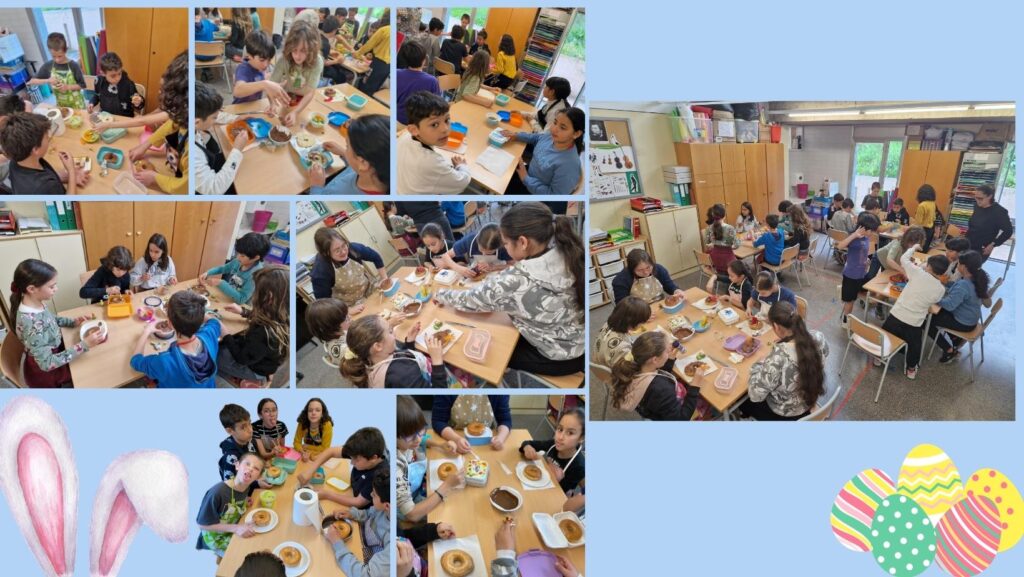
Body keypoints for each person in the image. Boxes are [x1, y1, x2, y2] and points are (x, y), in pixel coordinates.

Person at [435, 202, 586, 376]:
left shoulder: (515, 280)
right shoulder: (567, 250)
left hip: (558, 356)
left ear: (522, 242)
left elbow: (468, 300)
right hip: (577, 340)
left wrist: (439, 294)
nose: (504, 247)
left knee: (493, 347)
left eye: (505, 243)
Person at [11, 259, 104, 387]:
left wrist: (72, 322)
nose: (56, 289)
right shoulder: (31, 325)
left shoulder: (34, 302)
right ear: (32, 289)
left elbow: (49, 318)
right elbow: (47, 363)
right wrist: (84, 345)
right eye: (51, 286)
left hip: (53, 348)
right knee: (89, 371)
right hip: (47, 372)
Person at [739, 301, 829, 420]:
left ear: (776, 327)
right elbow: (820, 355)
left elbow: (755, 395)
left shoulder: (779, 357)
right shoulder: (818, 337)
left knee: (742, 401)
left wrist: (759, 364)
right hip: (809, 399)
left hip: (785, 414)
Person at [880, 246, 949, 379]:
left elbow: (904, 259)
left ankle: (880, 357)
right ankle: (911, 369)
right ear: (943, 272)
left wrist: (914, 247)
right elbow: (934, 301)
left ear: (928, 266)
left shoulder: (917, 272)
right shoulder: (941, 289)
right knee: (914, 345)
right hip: (914, 322)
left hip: (896, 315)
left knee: (885, 335)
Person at [217, 265, 289, 387]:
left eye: (256, 290)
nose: (254, 294)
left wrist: (226, 334)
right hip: (259, 358)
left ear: (269, 297)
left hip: (254, 369)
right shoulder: (283, 313)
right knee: (227, 344)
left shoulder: (264, 332)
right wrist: (243, 312)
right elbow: (264, 317)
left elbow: (242, 359)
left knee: (213, 354)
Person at [130, 291, 220, 388]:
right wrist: (195, 311)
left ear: (169, 323)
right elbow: (214, 321)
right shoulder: (209, 334)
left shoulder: (164, 361)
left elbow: (135, 361)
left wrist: (146, 331)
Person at [128, 51, 189, 194]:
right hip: (171, 169)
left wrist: (155, 178)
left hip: (174, 185)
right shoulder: (183, 115)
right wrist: (145, 145)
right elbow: (171, 125)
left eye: (165, 91)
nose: (161, 94)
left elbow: (184, 187)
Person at [396, 395, 463, 522]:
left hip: (418, 489)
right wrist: (447, 485)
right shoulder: (395, 467)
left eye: (420, 431)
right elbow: (412, 514)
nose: (418, 439)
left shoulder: (408, 441)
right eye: (410, 436)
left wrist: (440, 445)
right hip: (405, 508)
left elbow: (422, 439)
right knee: (446, 513)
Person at [610, 331, 701, 421]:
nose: (669, 351)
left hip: (655, 407)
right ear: (655, 360)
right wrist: (695, 385)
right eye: (667, 351)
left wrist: (669, 360)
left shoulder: (636, 365)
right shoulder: (662, 389)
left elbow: (657, 376)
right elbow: (681, 419)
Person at [339, 315, 449, 388]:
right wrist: (437, 360)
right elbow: (435, 397)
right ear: (378, 346)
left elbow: (401, 358)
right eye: (390, 331)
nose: (394, 333)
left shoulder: (371, 357)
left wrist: (409, 343)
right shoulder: (402, 375)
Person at [397, 91, 472, 194]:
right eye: (434, 124)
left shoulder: (405, 136)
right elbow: (462, 182)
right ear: (414, 129)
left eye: (447, 120)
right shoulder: (431, 163)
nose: (445, 129)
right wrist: (461, 166)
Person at [298, 427, 389, 510]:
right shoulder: (361, 452)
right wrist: (310, 471)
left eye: (356, 460)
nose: (351, 462)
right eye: (351, 458)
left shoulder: (380, 476)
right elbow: (331, 451)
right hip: (353, 489)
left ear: (373, 458)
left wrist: (327, 495)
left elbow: (358, 502)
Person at [503, 107, 585, 198]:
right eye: (555, 122)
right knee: (503, 172)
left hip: (534, 192)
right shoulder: (552, 137)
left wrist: (526, 178)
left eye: (562, 127)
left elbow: (554, 196)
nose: (554, 129)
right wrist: (517, 136)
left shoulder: (569, 166)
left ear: (576, 134)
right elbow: (538, 138)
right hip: (528, 174)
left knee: (501, 187)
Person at [196, 453, 265, 558]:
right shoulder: (217, 492)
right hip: (217, 538)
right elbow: (201, 525)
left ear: (259, 476)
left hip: (235, 526)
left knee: (259, 543)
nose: (250, 469)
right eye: (247, 464)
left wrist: (244, 500)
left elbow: (233, 501)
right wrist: (236, 528)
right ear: (237, 466)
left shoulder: (245, 485)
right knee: (245, 557)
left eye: (256, 468)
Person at [326, 467, 391, 576]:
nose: (371, 494)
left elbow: (364, 574)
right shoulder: (383, 509)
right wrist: (352, 513)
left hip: (370, 565)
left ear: (387, 506)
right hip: (363, 543)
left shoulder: (392, 546)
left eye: (374, 494)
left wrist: (337, 543)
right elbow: (369, 513)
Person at [1, 111, 85, 194]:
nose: (49, 138)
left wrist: (57, 177)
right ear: (35, 149)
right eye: (46, 137)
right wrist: (71, 170)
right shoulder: (45, 187)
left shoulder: (15, 161)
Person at [928, 250, 989, 365]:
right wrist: (946, 284)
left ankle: (949, 351)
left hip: (963, 323)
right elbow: (957, 289)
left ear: (964, 267)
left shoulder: (964, 285)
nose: (957, 265)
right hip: (970, 320)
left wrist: (934, 298)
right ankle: (955, 338)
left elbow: (949, 305)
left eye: (959, 264)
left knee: (926, 320)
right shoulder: (974, 278)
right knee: (937, 313)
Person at [310, 114, 390, 195]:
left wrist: (316, 186)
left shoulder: (342, 194)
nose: (346, 148)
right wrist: (343, 153)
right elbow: (355, 168)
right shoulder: (376, 172)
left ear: (363, 162)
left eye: (347, 146)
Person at [310, 227, 387, 306]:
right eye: (337, 250)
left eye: (344, 245)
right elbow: (324, 303)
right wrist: (349, 311)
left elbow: (375, 257)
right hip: (348, 305)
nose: (343, 252)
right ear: (326, 253)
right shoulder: (320, 272)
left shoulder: (352, 249)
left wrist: (385, 279)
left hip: (370, 289)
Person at [194, 82, 245, 195]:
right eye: (214, 118)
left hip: (208, 162)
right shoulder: (193, 155)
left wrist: (237, 118)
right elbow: (214, 188)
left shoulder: (192, 116)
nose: (216, 118)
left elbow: (214, 114)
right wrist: (237, 150)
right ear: (197, 122)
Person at [270, 22, 324, 128]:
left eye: (303, 51)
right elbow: (271, 85)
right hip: (287, 96)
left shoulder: (317, 61)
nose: (297, 56)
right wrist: (272, 102)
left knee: (301, 126)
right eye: (294, 50)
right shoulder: (284, 59)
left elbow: (310, 92)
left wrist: (296, 112)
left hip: (305, 100)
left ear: (311, 49)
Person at [520, 408, 585, 493]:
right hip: (540, 485)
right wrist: (527, 447)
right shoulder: (553, 444)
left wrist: (558, 480)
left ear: (581, 438)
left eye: (570, 433)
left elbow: (561, 493)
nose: (560, 437)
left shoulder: (579, 466)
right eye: (560, 429)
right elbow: (527, 443)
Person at [837, 213, 881, 328]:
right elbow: (840, 246)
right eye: (871, 230)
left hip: (861, 274)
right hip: (851, 275)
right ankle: (845, 321)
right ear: (863, 228)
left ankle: (848, 304)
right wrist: (854, 235)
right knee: (850, 301)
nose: (872, 233)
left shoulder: (866, 238)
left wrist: (865, 260)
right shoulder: (855, 238)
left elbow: (862, 251)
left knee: (870, 292)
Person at [201, 232, 270, 304]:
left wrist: (221, 283)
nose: (238, 257)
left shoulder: (256, 275)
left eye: (242, 256)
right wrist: (208, 273)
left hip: (242, 306)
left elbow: (241, 299)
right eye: (238, 253)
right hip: (230, 297)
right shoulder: (238, 261)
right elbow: (222, 269)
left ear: (256, 257)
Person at [431, 394, 513, 453]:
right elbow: (438, 421)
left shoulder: (498, 393)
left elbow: (505, 420)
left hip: (488, 443)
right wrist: (456, 439)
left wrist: (501, 438)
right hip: (454, 437)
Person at [27, 33, 85, 109]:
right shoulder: (49, 65)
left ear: (65, 50)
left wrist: (67, 87)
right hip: (62, 106)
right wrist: (48, 80)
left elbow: (82, 85)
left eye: (60, 56)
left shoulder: (73, 65)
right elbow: (31, 82)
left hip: (77, 104)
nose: (57, 60)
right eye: (53, 56)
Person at [436, 222, 513, 279]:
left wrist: (493, 267)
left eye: (489, 252)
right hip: (476, 273)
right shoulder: (470, 240)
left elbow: (513, 265)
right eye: (481, 249)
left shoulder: (504, 246)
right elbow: (445, 256)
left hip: (497, 273)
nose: (483, 254)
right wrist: (459, 268)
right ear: (477, 240)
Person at [232, 30, 288, 105]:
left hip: (254, 106)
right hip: (240, 108)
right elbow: (237, 91)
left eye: (269, 60)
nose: (266, 64)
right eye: (262, 60)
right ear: (249, 55)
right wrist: (265, 84)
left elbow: (262, 78)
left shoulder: (259, 67)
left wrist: (275, 79)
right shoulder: (243, 69)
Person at [612, 248, 685, 304]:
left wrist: (676, 291)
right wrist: (641, 314)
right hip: (637, 311)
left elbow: (668, 285)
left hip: (659, 304)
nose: (646, 272)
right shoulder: (621, 280)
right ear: (631, 269)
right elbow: (622, 305)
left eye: (648, 267)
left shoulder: (659, 269)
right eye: (640, 270)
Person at [396, 41, 440, 125]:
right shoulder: (432, 81)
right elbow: (437, 107)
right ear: (424, 60)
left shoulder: (396, 73)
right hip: (418, 124)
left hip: (397, 119)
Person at [966, 184, 1014, 260]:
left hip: (981, 249)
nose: (977, 200)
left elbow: (1008, 231)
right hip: (968, 243)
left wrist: (993, 244)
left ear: (990, 196)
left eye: (980, 198)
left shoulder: (1000, 212)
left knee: (969, 266)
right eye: (975, 197)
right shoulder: (977, 206)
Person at [88, 52, 144, 117]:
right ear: (103, 73)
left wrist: (138, 102)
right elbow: (97, 95)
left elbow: (138, 102)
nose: (118, 78)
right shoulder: (99, 81)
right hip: (105, 116)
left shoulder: (128, 83)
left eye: (119, 73)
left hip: (124, 117)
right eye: (113, 76)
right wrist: (92, 103)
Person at [702, 203, 740, 291]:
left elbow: (708, 244)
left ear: (713, 215)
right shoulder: (730, 228)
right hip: (728, 260)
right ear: (724, 215)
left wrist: (715, 244)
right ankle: (734, 287)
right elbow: (736, 245)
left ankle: (726, 280)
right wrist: (729, 245)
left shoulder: (709, 228)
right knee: (741, 268)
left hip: (715, 260)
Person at [305, 298, 351, 368]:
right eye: (346, 318)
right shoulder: (343, 349)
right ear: (332, 327)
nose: (350, 317)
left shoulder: (337, 333)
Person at [353, 8, 390, 95]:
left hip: (378, 63)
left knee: (366, 85)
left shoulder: (384, 30)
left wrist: (357, 53)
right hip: (388, 66)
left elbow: (369, 44)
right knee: (374, 89)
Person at [217, 404, 258, 481]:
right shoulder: (231, 457)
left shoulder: (247, 440)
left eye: (249, 423)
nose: (250, 430)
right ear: (230, 431)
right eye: (243, 427)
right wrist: (257, 483)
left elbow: (255, 460)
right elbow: (232, 485)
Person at [319, 16, 353, 85]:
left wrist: (330, 52)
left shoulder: (319, 37)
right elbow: (324, 63)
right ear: (334, 30)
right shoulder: (326, 44)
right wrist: (337, 61)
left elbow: (320, 54)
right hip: (321, 70)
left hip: (315, 67)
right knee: (342, 76)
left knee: (336, 68)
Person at [912, 184, 938, 252]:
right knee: (924, 250)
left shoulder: (922, 205)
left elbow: (918, 223)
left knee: (917, 250)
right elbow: (934, 218)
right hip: (931, 229)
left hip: (922, 230)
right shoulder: (933, 203)